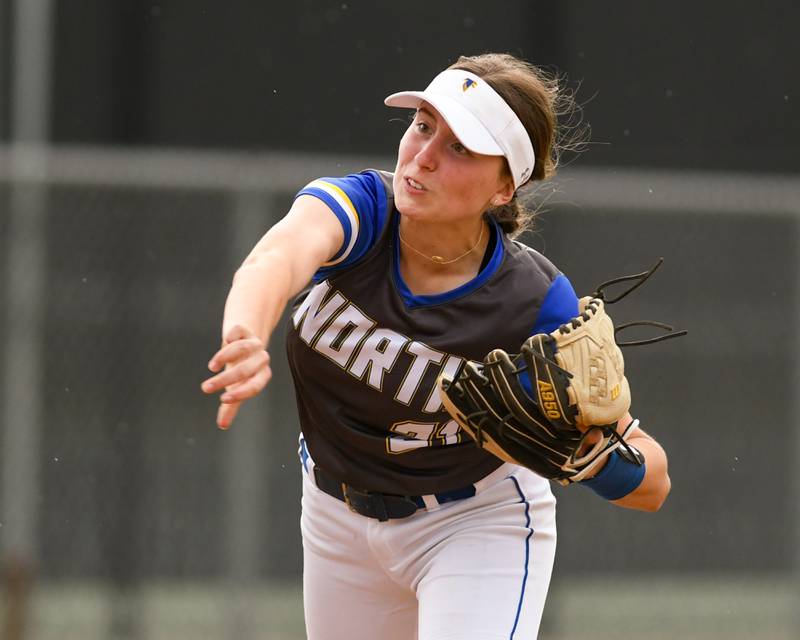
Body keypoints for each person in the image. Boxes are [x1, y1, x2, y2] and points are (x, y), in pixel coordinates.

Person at [201, 53, 671, 640]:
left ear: (505, 187)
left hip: (475, 523)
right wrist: (245, 330)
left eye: (460, 148)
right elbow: (278, 256)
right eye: (423, 125)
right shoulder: (363, 213)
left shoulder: (532, 300)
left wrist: (598, 463)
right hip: (334, 516)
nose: (422, 157)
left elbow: (654, 483)